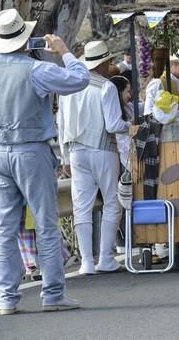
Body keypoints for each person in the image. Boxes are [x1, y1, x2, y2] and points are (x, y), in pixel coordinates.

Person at [0, 8, 89, 314]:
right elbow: (80, 79)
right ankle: (53, 294)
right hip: (31, 151)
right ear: (25, 40)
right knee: (45, 223)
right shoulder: (37, 70)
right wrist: (63, 51)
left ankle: (6, 299)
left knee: (4, 227)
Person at [58, 41, 131, 275]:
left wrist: (64, 157)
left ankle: (87, 262)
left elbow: (61, 124)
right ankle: (107, 258)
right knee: (112, 202)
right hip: (103, 149)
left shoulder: (67, 87)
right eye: (109, 62)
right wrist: (130, 126)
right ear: (104, 63)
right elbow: (113, 124)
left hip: (76, 151)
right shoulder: (106, 87)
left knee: (81, 206)